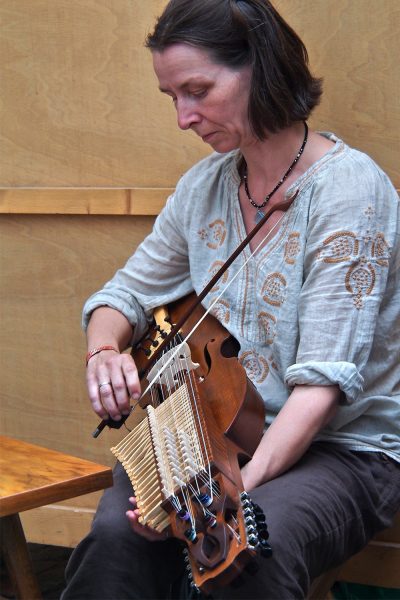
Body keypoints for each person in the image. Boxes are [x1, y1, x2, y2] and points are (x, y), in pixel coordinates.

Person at [62, 1, 400, 598]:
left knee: (253, 545)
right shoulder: (205, 186)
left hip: (340, 448)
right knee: (118, 540)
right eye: (172, 96)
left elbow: (321, 386)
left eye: (197, 90)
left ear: (261, 69)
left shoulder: (352, 191)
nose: (183, 117)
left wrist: (228, 489)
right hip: (213, 433)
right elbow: (125, 295)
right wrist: (104, 352)